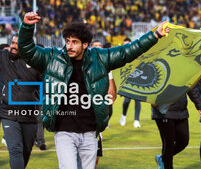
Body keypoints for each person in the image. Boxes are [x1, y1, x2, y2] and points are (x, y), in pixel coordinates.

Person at [17, 11, 169, 169]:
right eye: (67, 41)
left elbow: (128, 51)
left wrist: (155, 34)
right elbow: (27, 50)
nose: (69, 46)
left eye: (74, 42)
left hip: (90, 131)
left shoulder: (100, 58)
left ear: (85, 44)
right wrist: (27, 26)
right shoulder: (52, 57)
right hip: (63, 131)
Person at [0, 35, 41, 169]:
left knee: (25, 152)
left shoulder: (36, 63)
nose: (13, 46)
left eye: (18, 44)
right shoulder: (4, 57)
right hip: (8, 114)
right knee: (15, 149)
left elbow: (44, 87)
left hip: (29, 115)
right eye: (12, 42)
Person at [90, 40, 118, 169]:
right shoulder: (82, 66)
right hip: (79, 123)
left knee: (94, 161)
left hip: (95, 124)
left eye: (99, 46)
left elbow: (111, 97)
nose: (98, 49)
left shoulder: (105, 68)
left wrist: (109, 72)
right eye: (95, 46)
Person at [152, 92, 196, 169]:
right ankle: (167, 165)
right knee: (169, 143)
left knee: (184, 141)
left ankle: (162, 158)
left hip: (180, 110)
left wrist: (200, 104)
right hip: (163, 111)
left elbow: (191, 86)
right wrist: (153, 100)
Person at [119, 37, 142, 128]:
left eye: (128, 44)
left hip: (137, 81)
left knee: (137, 101)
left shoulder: (136, 55)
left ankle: (136, 120)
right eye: (125, 44)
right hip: (126, 82)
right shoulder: (120, 56)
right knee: (126, 101)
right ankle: (123, 115)